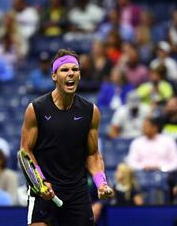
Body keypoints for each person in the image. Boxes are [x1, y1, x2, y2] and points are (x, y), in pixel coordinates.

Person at [20, 49, 113, 226]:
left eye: (75, 69)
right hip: (44, 191)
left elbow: (92, 154)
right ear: (54, 76)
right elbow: (26, 151)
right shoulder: (36, 109)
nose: (71, 73)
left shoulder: (90, 111)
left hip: (77, 193)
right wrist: (41, 182)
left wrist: (101, 183)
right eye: (65, 70)